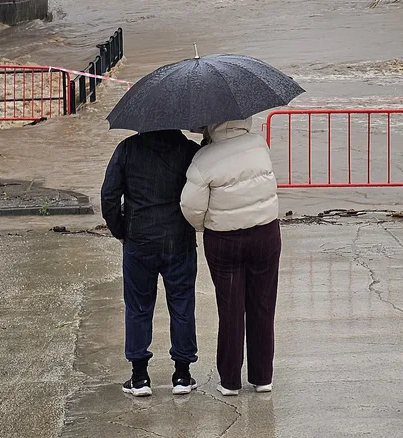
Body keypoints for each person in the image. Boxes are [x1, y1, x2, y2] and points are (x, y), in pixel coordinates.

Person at [180, 116, 281, 396]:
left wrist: (206, 226)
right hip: (266, 235)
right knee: (263, 305)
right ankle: (262, 377)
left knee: (230, 309)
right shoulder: (259, 145)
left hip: (225, 241)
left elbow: (190, 206)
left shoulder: (204, 158)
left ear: (211, 122)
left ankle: (230, 381)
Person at [101, 129, 201, 397]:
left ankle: (139, 377)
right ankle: (182, 375)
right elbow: (199, 195)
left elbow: (109, 197)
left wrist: (122, 231)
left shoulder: (126, 149)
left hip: (139, 240)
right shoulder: (189, 151)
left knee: (138, 307)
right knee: (182, 304)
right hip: (178, 240)